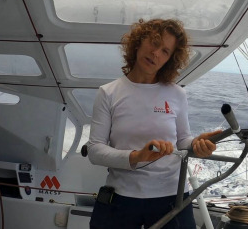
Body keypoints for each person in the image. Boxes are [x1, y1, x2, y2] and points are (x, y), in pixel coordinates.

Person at [87, 19, 222, 229]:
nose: (156, 53)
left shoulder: (177, 94)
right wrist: (137, 156)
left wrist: (197, 143)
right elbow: (95, 150)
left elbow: (182, 140)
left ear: (169, 59)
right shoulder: (108, 93)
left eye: (165, 51)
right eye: (154, 43)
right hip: (122, 197)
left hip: (170, 197)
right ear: (139, 42)